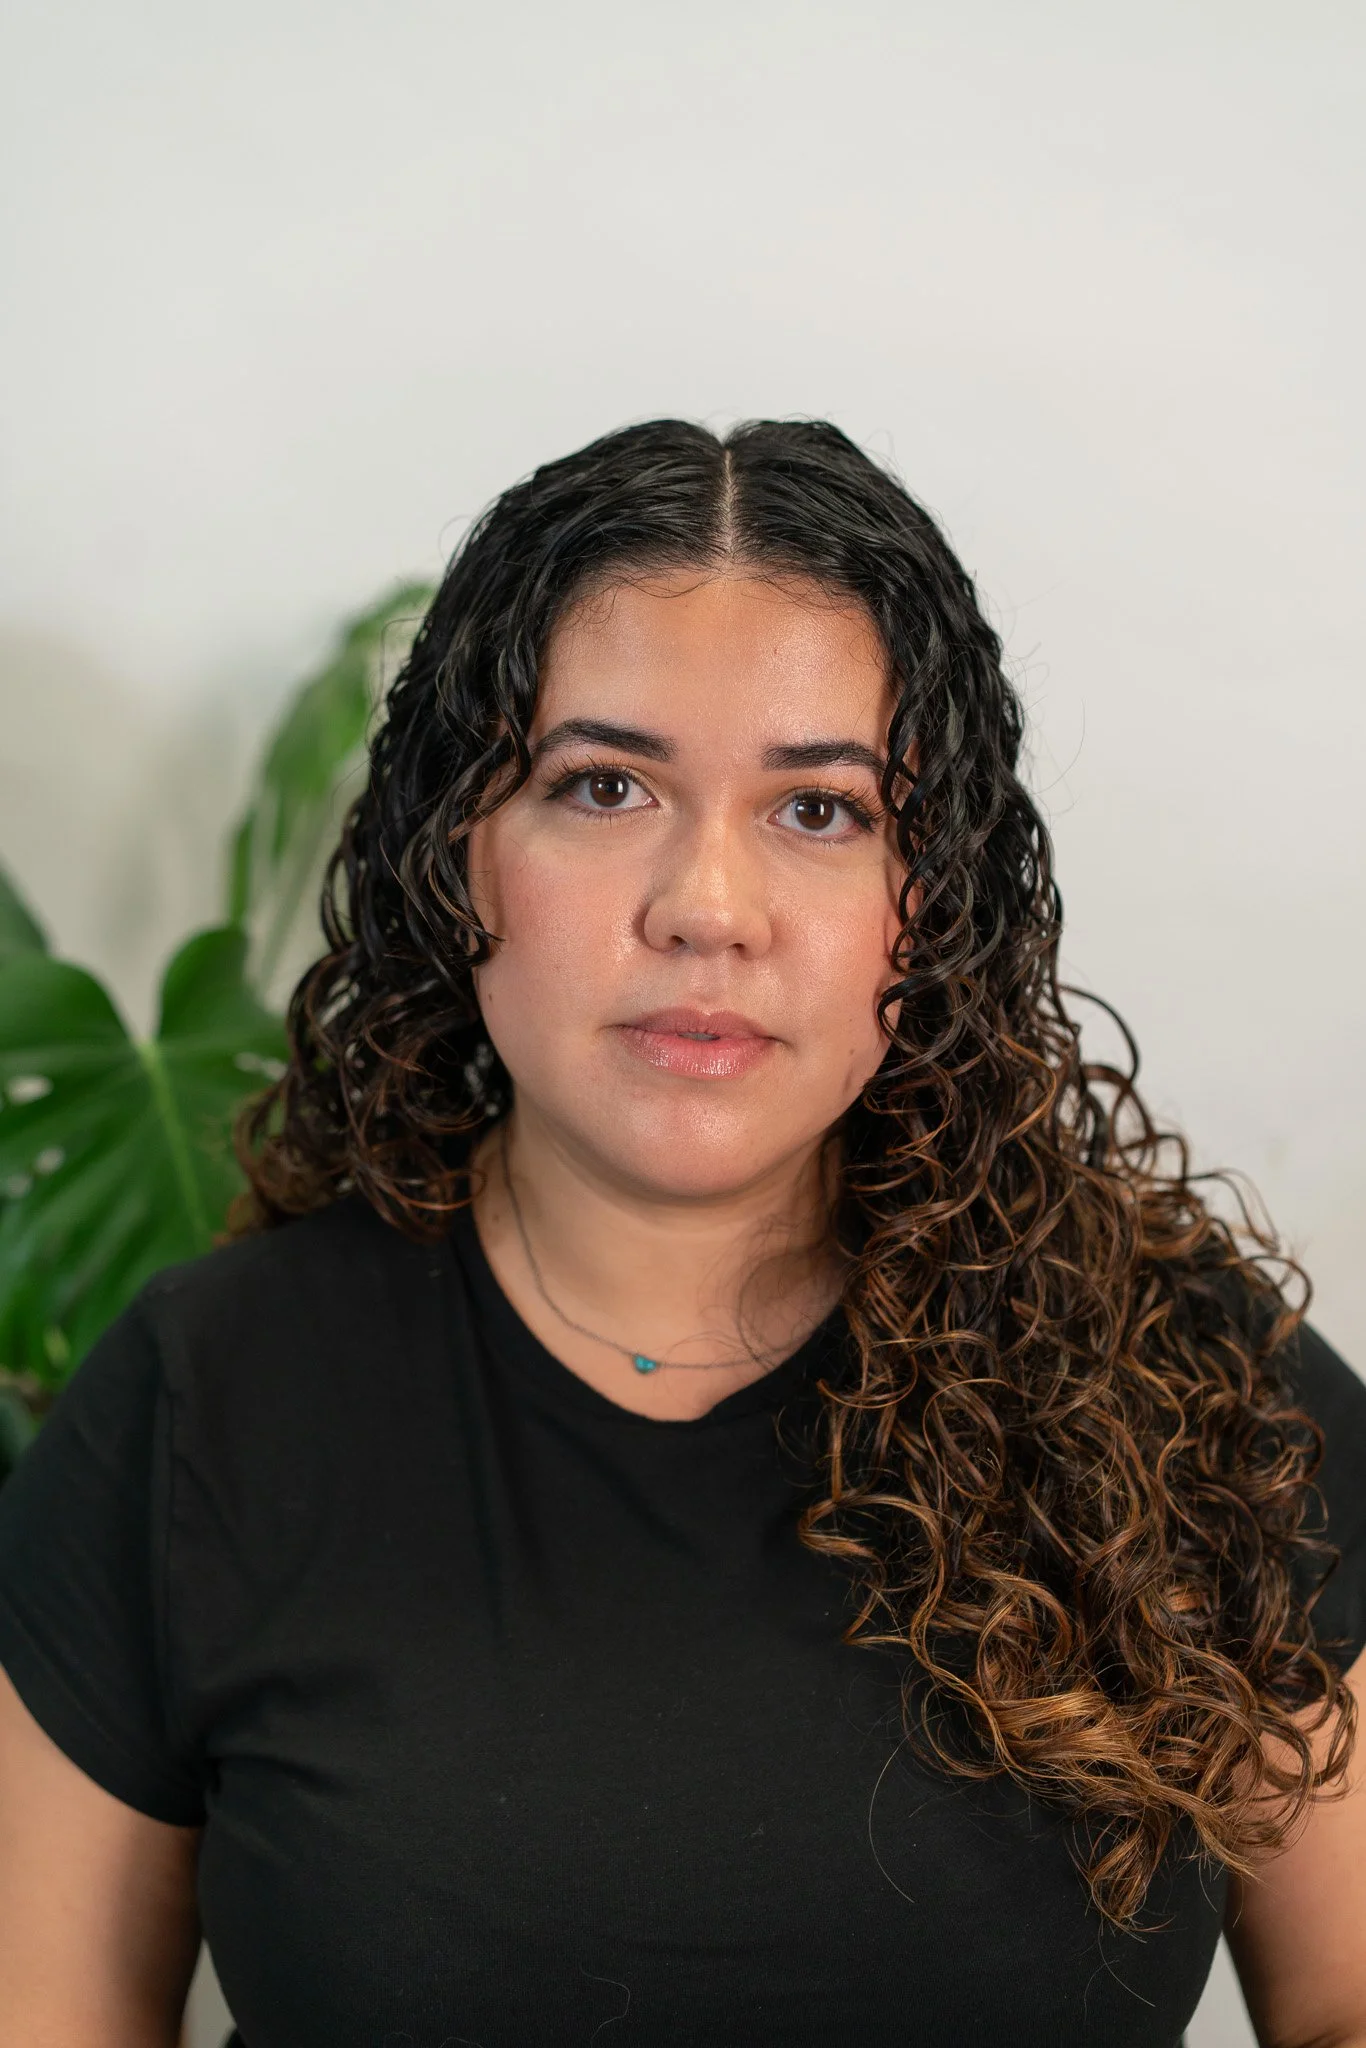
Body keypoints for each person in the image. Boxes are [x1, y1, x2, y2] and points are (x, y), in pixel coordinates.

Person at [0, 419, 1362, 2048]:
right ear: (458, 854)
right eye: (603, 786)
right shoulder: (202, 1407)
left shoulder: (1199, 1385)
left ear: (928, 895)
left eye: (819, 812)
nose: (705, 904)